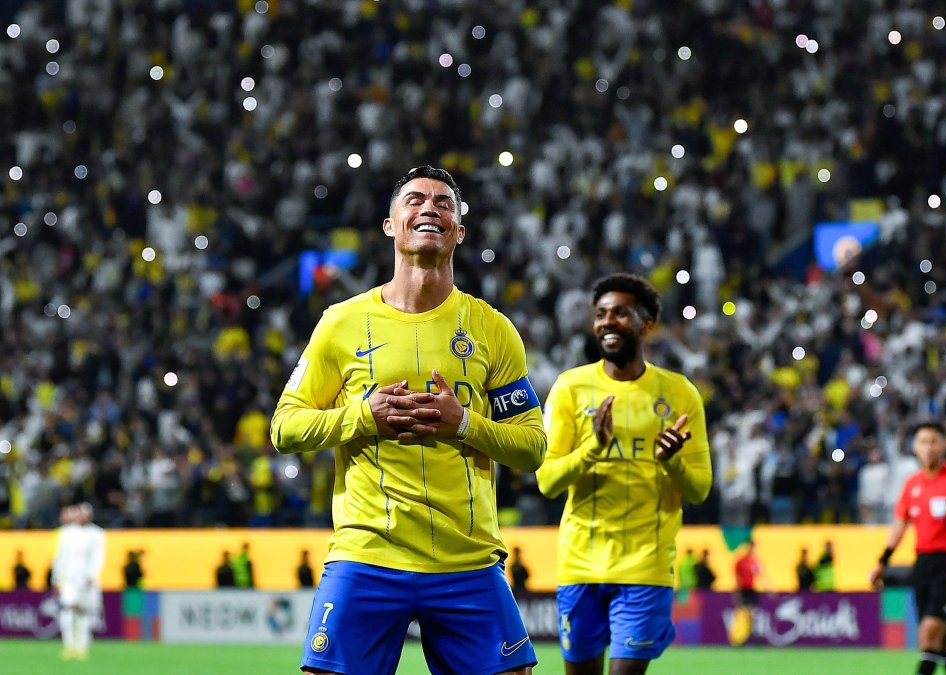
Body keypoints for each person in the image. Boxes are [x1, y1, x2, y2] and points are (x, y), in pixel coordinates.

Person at [272, 165, 546, 675]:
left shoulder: (493, 329)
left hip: (466, 558)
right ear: (390, 224)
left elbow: (533, 447)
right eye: (415, 199)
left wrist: (464, 423)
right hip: (368, 554)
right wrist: (363, 415)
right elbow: (284, 428)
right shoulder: (341, 322)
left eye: (444, 204)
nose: (429, 208)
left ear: (459, 232)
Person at [536, 272, 712, 675]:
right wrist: (594, 449)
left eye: (620, 313)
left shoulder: (680, 393)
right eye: (600, 314)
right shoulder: (570, 388)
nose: (607, 322)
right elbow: (547, 481)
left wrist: (672, 462)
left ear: (645, 323)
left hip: (646, 567)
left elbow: (700, 489)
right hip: (580, 564)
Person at [869, 422, 946, 675]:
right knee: (943, 641)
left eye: (933, 441)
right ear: (914, 447)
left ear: (944, 445)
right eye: (922, 442)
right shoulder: (912, 484)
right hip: (923, 563)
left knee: (928, 633)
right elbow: (899, 527)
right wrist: (881, 562)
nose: (928, 448)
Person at [52, 503, 106, 661]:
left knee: (84, 612)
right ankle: (69, 645)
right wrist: (56, 577)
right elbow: (60, 557)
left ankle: (82, 646)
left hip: (86, 580)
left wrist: (92, 574)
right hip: (69, 578)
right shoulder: (65, 533)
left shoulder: (97, 534)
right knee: (67, 611)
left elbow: (98, 556)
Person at [729, 540, 766, 647]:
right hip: (743, 590)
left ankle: (748, 637)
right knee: (742, 614)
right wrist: (736, 591)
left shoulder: (754, 561)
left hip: (751, 590)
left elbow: (760, 574)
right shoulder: (740, 561)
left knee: (752, 614)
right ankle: (738, 638)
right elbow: (736, 577)